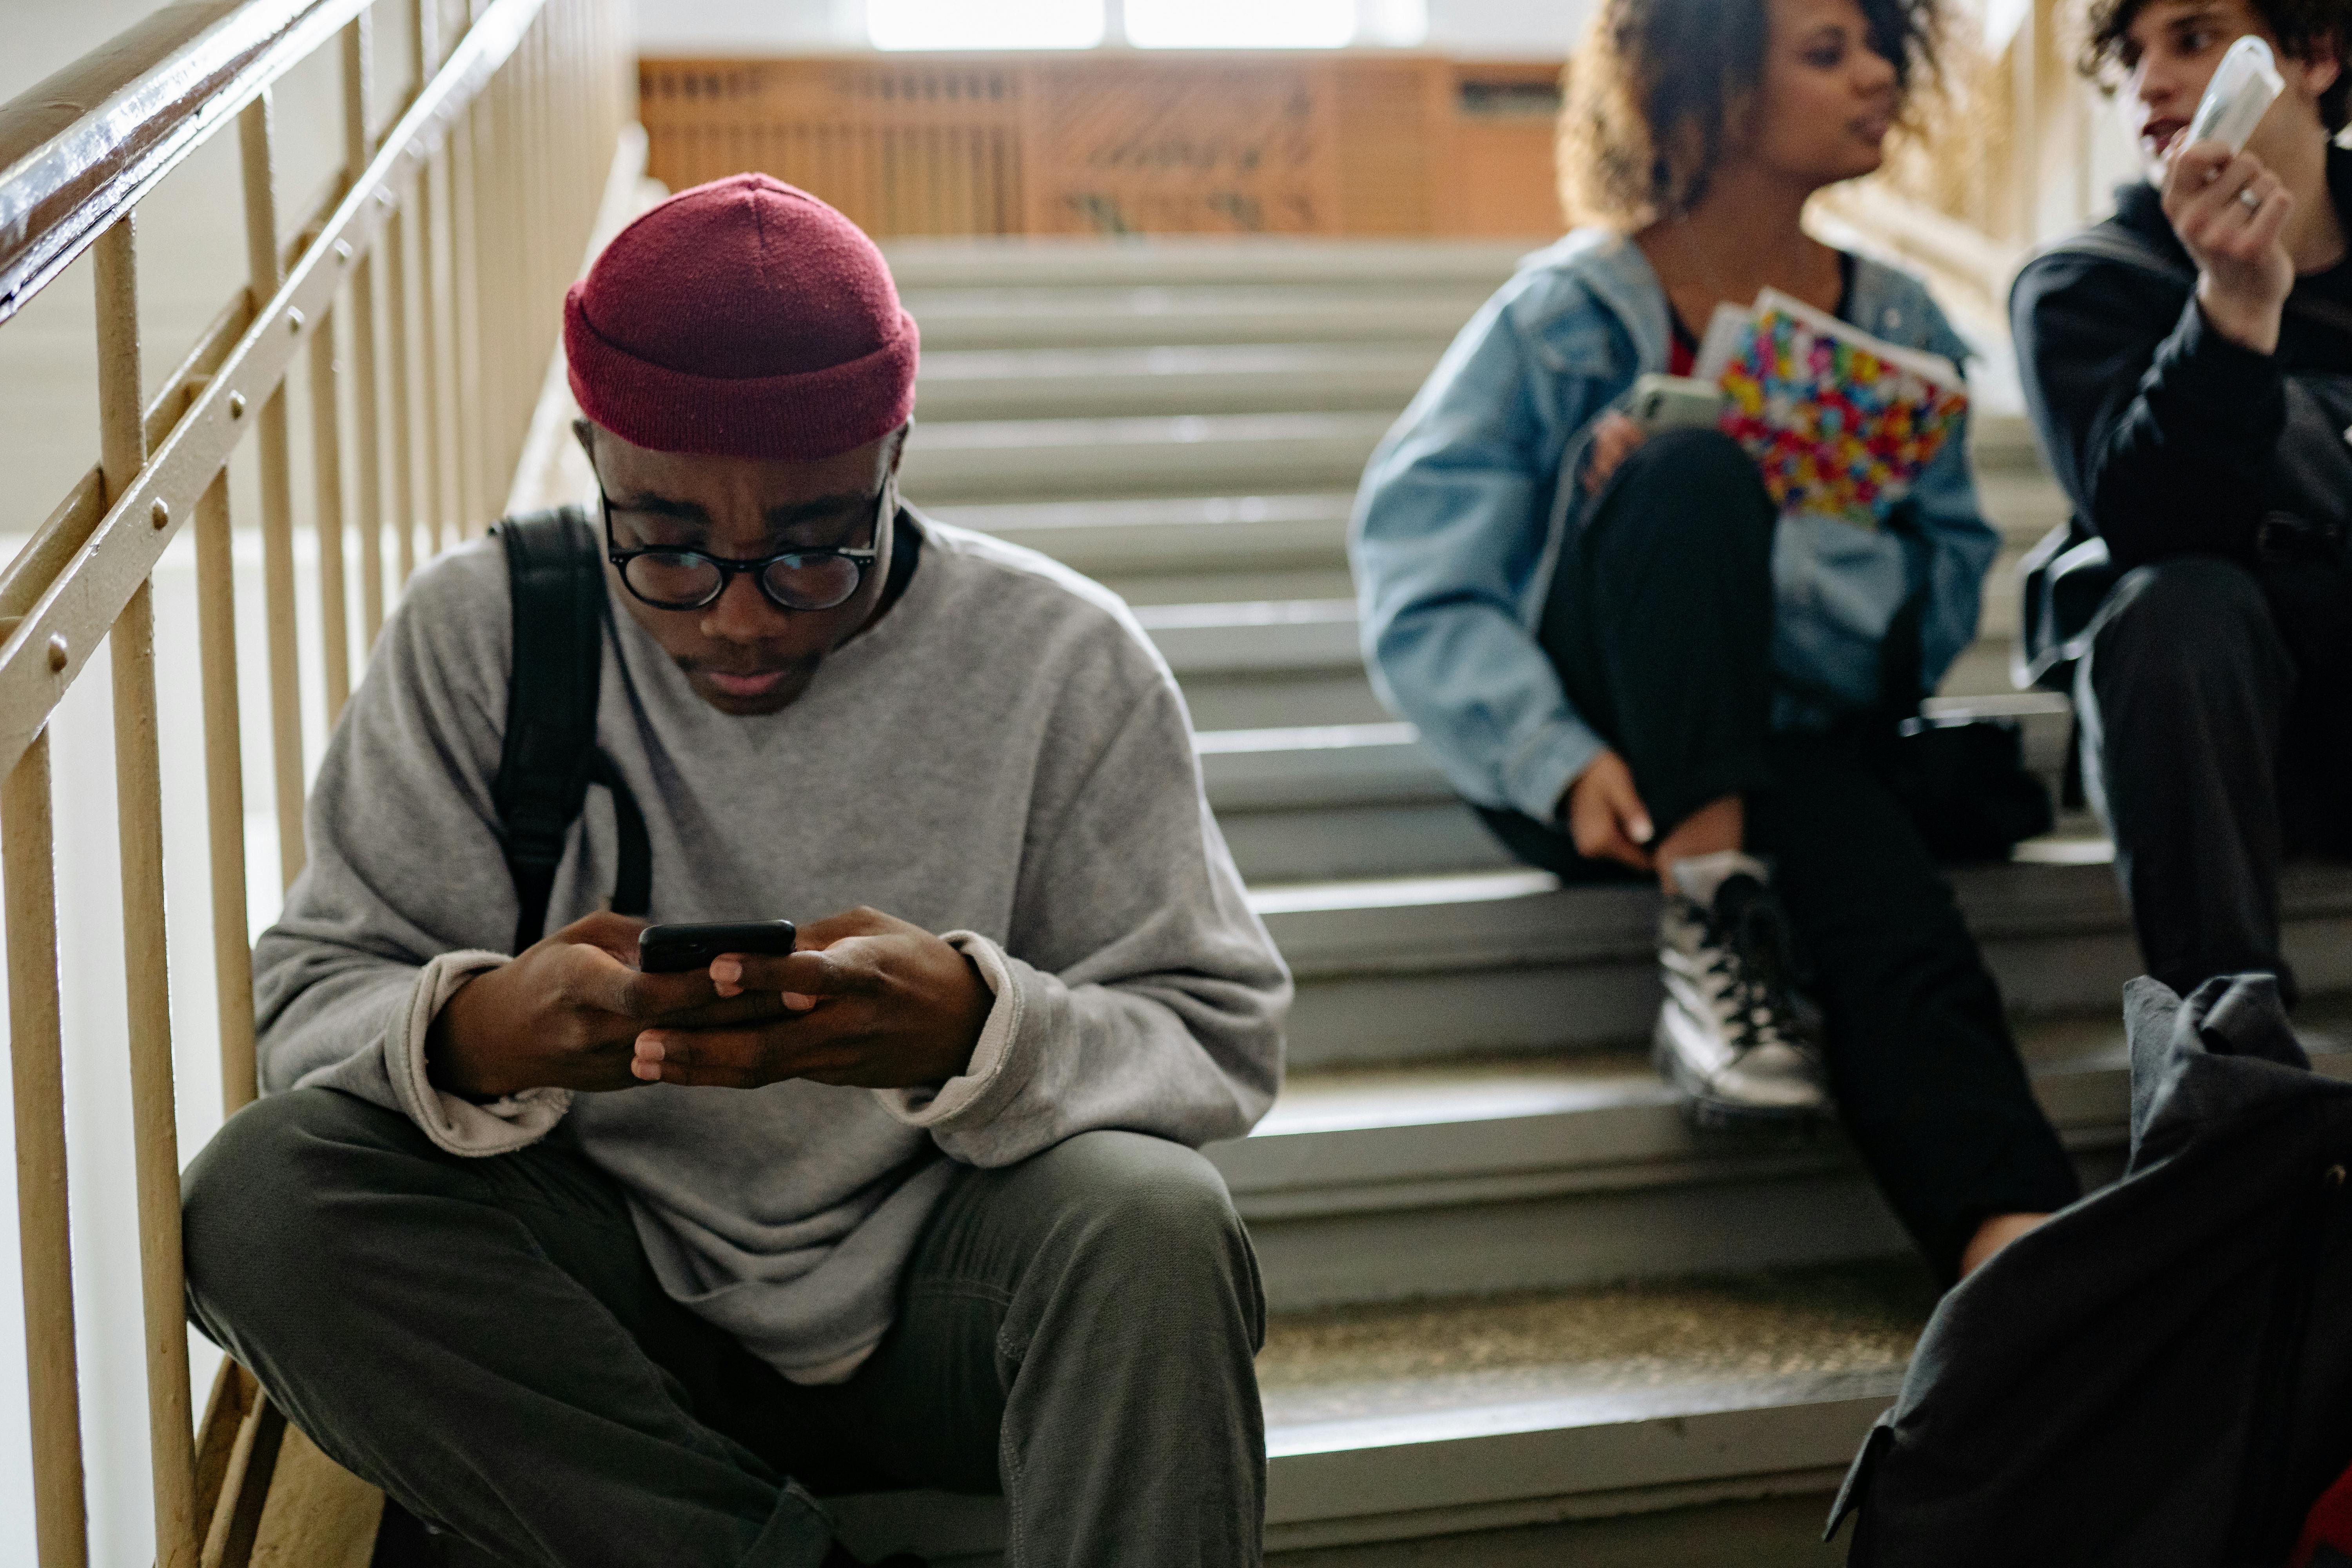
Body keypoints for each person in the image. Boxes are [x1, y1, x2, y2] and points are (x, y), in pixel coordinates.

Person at [177, 174, 1291, 1568]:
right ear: (592, 457)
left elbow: (1218, 1034)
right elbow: (317, 995)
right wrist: (479, 1035)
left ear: (897, 453)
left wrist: (978, 1029)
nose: (745, 617)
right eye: (670, 549)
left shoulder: (1067, 664)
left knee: (1158, 1227)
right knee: (261, 1199)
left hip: (952, 1303)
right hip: (605, 1314)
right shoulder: (484, 636)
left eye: (820, 546)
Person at [1350, 0, 2080, 1282]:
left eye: (1875, 47)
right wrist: (1554, 756)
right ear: (1710, 92)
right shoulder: (1562, 314)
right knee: (1681, 472)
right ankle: (1711, 911)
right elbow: (1422, 580)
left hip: (1787, 740)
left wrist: (1784, 541)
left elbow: (1928, 613)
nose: (1874, 77)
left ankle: (2014, 1263)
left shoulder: (1902, 327)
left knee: (1872, 879)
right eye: (1825, 52)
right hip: (1598, 771)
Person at [2011, 0, 2352, 1007]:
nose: (2149, 82)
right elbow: (2150, 523)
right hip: (2235, 734)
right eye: (2131, 56)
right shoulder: (2084, 285)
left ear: (2315, 54)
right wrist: (2232, 312)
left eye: (2193, 40)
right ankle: (2232, 1074)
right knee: (2173, 603)